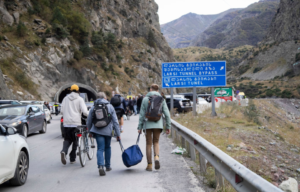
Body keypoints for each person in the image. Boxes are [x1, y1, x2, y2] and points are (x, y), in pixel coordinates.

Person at [138, 84, 171, 171]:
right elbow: (167, 114)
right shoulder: (161, 99)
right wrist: (168, 126)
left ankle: (149, 165)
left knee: (148, 143)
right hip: (158, 123)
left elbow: (141, 114)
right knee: (156, 142)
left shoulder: (145, 99)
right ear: (157, 90)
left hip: (147, 124)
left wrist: (139, 127)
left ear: (150, 89)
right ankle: (156, 157)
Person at [87, 92, 121, 176]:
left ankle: (100, 166)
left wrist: (89, 131)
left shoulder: (93, 107)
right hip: (108, 131)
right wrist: (118, 134)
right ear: (105, 98)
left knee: (100, 149)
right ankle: (108, 166)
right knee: (107, 147)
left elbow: (89, 121)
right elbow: (115, 121)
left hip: (97, 131)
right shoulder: (110, 106)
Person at [60, 84, 89, 165]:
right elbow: (84, 112)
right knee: (76, 141)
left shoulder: (65, 98)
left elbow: (61, 111)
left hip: (66, 124)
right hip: (76, 124)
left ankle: (64, 151)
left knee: (67, 140)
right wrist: (90, 114)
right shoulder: (80, 99)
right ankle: (72, 158)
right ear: (78, 90)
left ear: (71, 90)